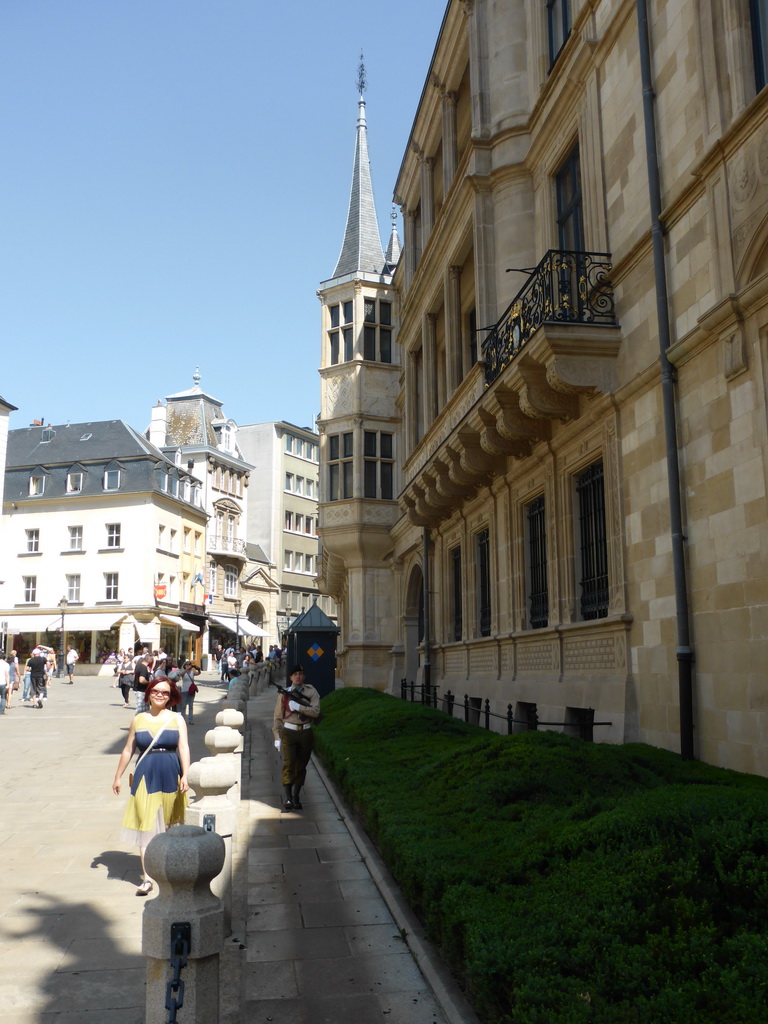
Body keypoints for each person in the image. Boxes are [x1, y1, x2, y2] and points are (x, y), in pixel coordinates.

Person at [112, 675, 190, 895]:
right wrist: (118, 776)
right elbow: (128, 749)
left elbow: (183, 748)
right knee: (145, 825)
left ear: (170, 697)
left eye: (165, 692)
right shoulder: (138, 719)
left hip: (171, 771)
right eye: (156, 690)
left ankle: (171, 871)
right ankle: (147, 878)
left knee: (171, 824)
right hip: (145, 773)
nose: (160, 695)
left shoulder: (177, 719)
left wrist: (186, 774)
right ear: (149, 693)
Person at [272, 664, 321, 811]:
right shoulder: (284, 693)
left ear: (303, 676)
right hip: (289, 732)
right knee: (289, 764)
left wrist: (299, 707)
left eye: (300, 674)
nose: (298, 676)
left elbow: (316, 712)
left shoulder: (311, 691)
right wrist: (276, 735)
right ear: (290, 677)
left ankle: (296, 796)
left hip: (305, 732)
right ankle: (287, 797)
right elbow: (277, 716)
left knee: (301, 766)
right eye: (295, 674)